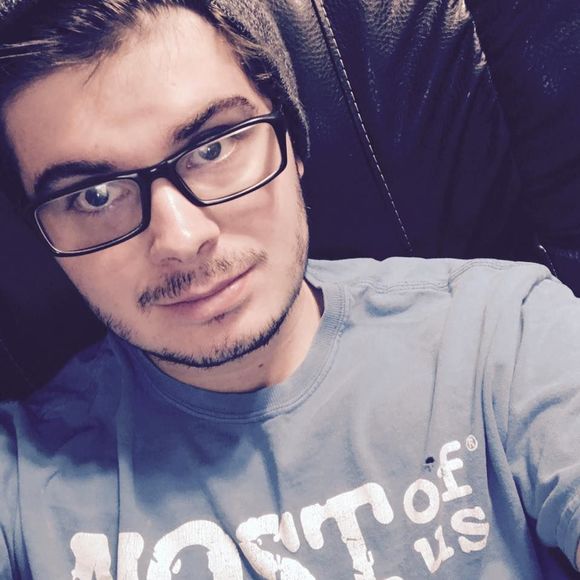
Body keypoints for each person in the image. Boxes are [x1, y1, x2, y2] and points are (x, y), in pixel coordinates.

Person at [0, 0, 578, 577]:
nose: (182, 238)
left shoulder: (504, 337)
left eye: (212, 148)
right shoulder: (22, 479)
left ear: (291, 141)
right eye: (95, 196)